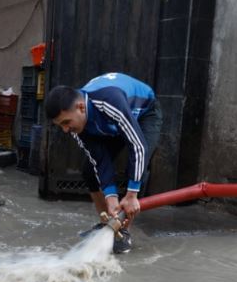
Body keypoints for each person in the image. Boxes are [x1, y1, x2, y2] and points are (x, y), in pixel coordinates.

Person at [44, 73, 163, 254]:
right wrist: (111, 196)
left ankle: (123, 231)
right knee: (89, 170)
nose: (66, 130)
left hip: (143, 113)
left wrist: (131, 195)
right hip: (112, 123)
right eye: (61, 125)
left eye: (66, 122)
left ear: (81, 107)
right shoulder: (78, 126)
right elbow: (100, 160)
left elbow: (137, 146)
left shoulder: (108, 101)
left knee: (139, 166)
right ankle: (106, 222)